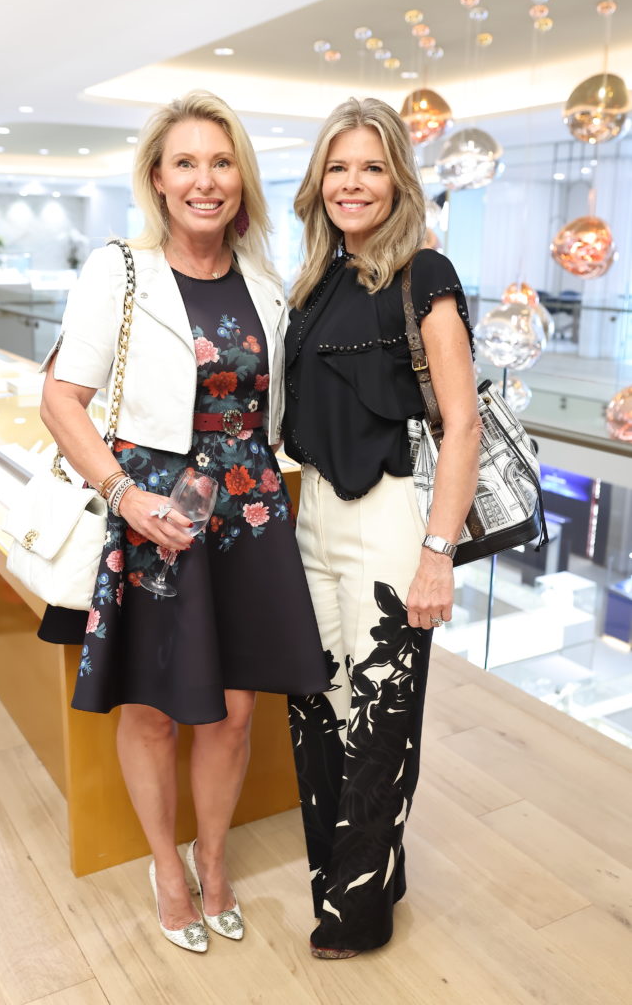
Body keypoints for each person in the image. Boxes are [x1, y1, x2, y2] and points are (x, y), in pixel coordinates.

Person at [39, 91, 328, 954]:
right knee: (155, 709)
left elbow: (282, 411)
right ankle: (166, 866)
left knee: (234, 713)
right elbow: (61, 398)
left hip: (250, 513)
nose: (205, 180)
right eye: (186, 163)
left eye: (221, 161)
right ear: (158, 180)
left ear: (241, 178)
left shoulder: (269, 286)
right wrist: (125, 495)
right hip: (152, 514)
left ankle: (214, 857)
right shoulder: (119, 271)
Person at [284, 97, 481, 958]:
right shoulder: (313, 283)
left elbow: (462, 424)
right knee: (316, 711)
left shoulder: (423, 273)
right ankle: (354, 876)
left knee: (377, 723)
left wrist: (436, 555)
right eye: (337, 167)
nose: (352, 183)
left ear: (398, 179)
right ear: (317, 182)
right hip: (314, 516)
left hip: (393, 520)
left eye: (370, 167)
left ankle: (357, 914)